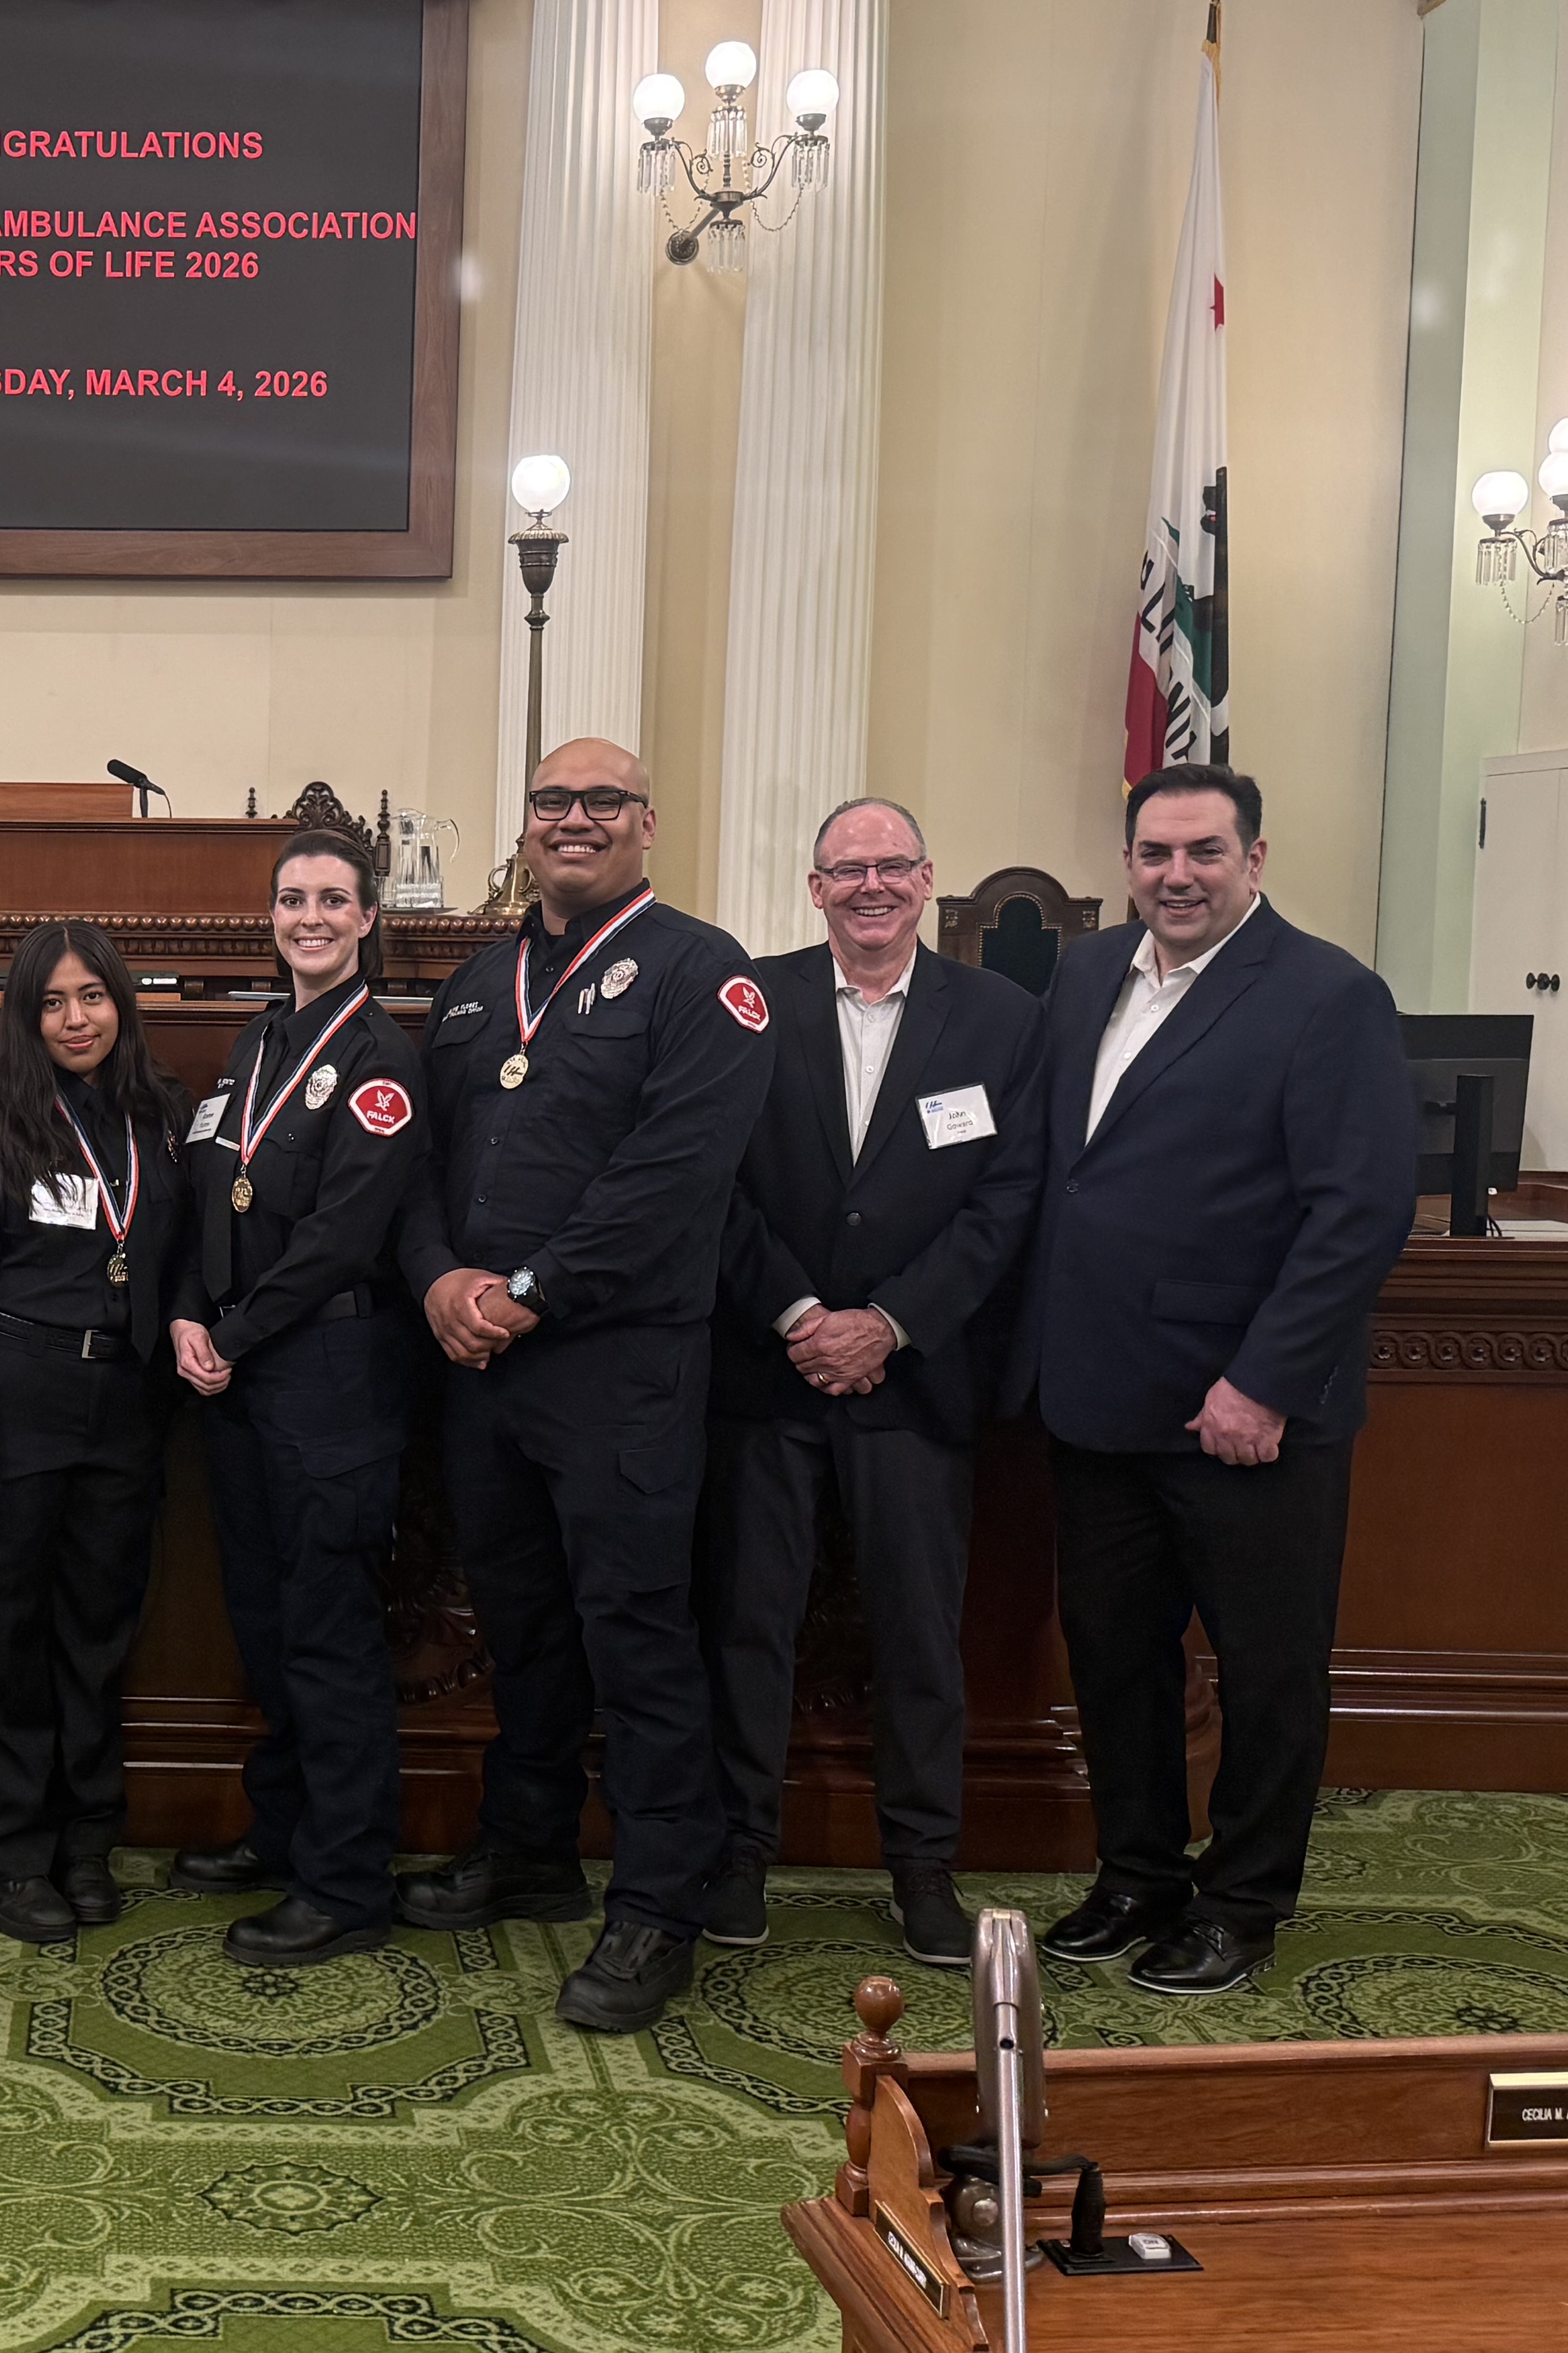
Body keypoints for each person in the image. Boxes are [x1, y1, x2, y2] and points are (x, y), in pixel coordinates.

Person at [1012, 763, 1415, 1996]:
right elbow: (1065, 1171)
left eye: (1203, 853)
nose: (1176, 876)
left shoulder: (1328, 995)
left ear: (1256, 858)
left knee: (1266, 1668)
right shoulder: (1083, 974)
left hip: (1245, 1413)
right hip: (1096, 1395)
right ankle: (1138, 1873)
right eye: (1154, 854)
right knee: (1114, 1653)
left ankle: (1244, 1902)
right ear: (1126, 862)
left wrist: (1266, 1383)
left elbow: (1357, 1210)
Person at [397, 738, 775, 2033]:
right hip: (484, 1369)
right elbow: (423, 1169)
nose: (575, 819)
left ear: (646, 825)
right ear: (528, 826)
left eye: (602, 801)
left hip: (619, 1368)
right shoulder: (470, 985)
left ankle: (658, 1902)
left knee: (637, 1635)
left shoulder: (700, 973)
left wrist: (531, 1290)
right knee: (522, 1623)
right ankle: (532, 1847)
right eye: (553, 802)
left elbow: (675, 1177)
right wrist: (442, 1277)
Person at [695, 798, 1044, 1968]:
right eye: (849, 870)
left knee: (917, 1638)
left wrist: (890, 1324)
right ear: (815, 889)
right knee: (749, 1628)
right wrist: (801, 1314)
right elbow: (717, 1184)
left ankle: (924, 1870)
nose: (872, 886)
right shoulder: (752, 1001)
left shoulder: (1001, 1017)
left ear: (928, 879)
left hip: (914, 1380)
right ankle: (739, 1854)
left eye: (893, 866)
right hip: (771, 1370)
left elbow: (1008, 1205)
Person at [168, 832, 432, 1966]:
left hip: (327, 1377)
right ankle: (285, 1833)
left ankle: (346, 1880)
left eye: (332, 899)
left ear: (368, 918)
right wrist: (187, 1312)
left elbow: (340, 1240)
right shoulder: (257, 1040)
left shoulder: (380, 1057)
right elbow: (206, 1191)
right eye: (292, 899)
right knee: (269, 1635)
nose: (310, 916)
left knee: (328, 1642)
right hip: (241, 1377)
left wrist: (226, 1331)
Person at [0, 921, 191, 1945]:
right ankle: (11, 1856)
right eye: (54, 1003)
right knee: (6, 1643)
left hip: (124, 1405)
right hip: (14, 1403)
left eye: (94, 997)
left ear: (122, 1004)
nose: (77, 1019)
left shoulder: (158, 1120)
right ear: (27, 1018)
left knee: (97, 1636)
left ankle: (85, 1845)